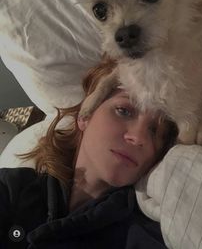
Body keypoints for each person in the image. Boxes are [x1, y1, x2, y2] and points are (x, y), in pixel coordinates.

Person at [0, 56, 177, 249]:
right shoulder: (12, 188)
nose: (139, 137)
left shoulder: (144, 233)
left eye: (155, 131)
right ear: (85, 115)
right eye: (124, 111)